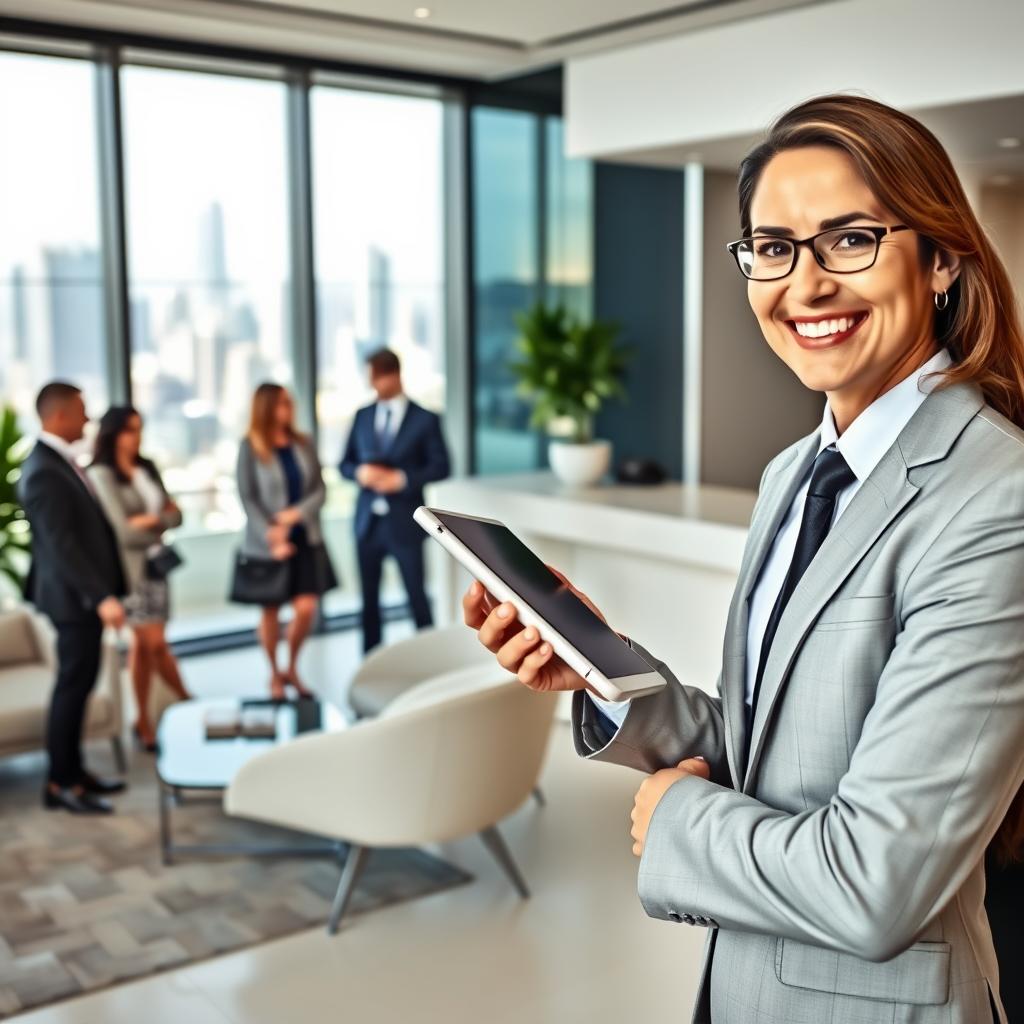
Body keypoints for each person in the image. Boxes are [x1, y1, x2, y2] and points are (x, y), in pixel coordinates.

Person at [464, 95, 1024, 1024]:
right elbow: (774, 754)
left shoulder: (996, 501)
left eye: (849, 239)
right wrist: (598, 668)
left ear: (942, 260)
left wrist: (675, 819)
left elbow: (875, 883)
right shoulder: (792, 474)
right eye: (773, 247)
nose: (804, 285)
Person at [18, 382, 128, 815]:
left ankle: (74, 773)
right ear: (59, 415)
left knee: (79, 687)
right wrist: (100, 596)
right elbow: (62, 546)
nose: (88, 419)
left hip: (78, 599)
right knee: (71, 688)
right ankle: (61, 783)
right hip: (73, 601)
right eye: (81, 411)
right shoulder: (44, 469)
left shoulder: (59, 463)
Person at [87, 407, 192, 752]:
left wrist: (151, 521)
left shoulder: (146, 468)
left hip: (156, 570)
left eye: (139, 429)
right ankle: (186, 701)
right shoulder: (101, 474)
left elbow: (176, 515)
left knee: (146, 648)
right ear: (113, 433)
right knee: (151, 644)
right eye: (130, 430)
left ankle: (144, 718)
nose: (136, 437)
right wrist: (157, 522)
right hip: (128, 572)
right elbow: (123, 533)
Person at [339, 348, 451, 653]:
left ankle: (428, 661)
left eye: (376, 378)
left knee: (416, 596)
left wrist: (400, 479)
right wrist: (359, 472)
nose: (372, 385)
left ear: (393, 375)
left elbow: (442, 466)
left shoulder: (425, 419)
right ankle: (370, 664)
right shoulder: (362, 415)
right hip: (367, 524)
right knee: (368, 601)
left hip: (405, 523)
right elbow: (344, 464)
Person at [236, 383, 337, 700]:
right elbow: (247, 497)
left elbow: (320, 490)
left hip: (305, 537)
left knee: (306, 608)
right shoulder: (249, 447)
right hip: (266, 543)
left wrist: (294, 515)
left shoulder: (303, 443)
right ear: (267, 408)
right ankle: (274, 673)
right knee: (270, 612)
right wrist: (273, 531)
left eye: (290, 402)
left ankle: (292, 666)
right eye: (282, 403)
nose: (289, 408)